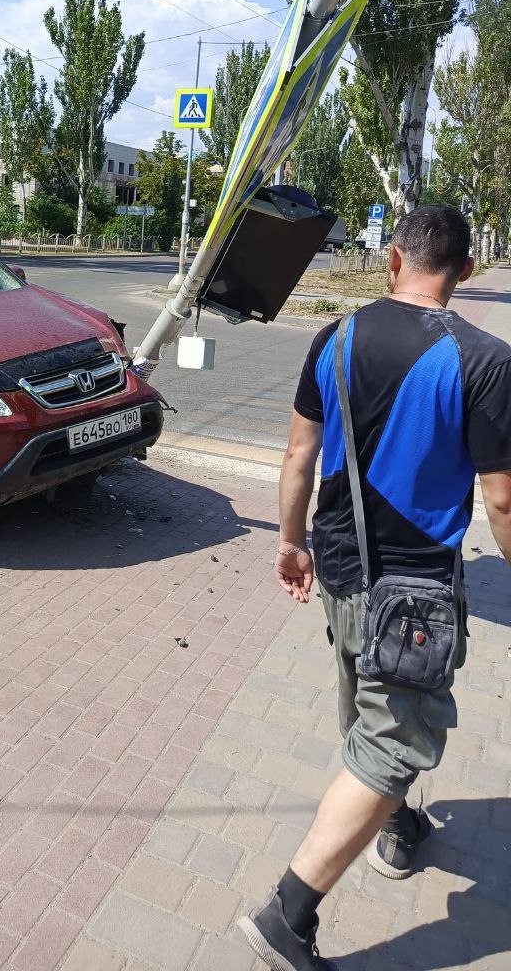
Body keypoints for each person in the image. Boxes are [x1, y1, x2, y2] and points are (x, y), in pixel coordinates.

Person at [238, 205, 511, 971]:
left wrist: (289, 543)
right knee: (395, 740)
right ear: (459, 273)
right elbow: (502, 502)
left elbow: (298, 455)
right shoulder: (483, 359)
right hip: (416, 586)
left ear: (394, 260)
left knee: (368, 697)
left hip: (341, 566)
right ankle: (287, 917)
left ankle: (393, 825)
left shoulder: (336, 337)